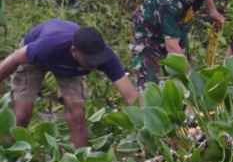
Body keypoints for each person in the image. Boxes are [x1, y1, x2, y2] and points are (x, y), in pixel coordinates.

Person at [0, 21, 139, 148]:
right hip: (34, 60)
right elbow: (13, 60)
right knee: (22, 114)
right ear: (74, 51)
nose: (94, 65)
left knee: (77, 112)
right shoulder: (46, 47)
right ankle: (9, 154)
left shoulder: (104, 56)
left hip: (69, 69)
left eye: (97, 60)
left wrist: (148, 123)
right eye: (90, 61)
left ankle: (81, 161)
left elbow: (131, 96)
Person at [130, 0, 226, 85]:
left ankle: (183, 99)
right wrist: (193, 78)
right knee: (149, 83)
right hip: (150, 32)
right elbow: (172, 47)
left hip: (177, 26)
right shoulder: (169, 1)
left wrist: (212, 11)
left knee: (181, 79)